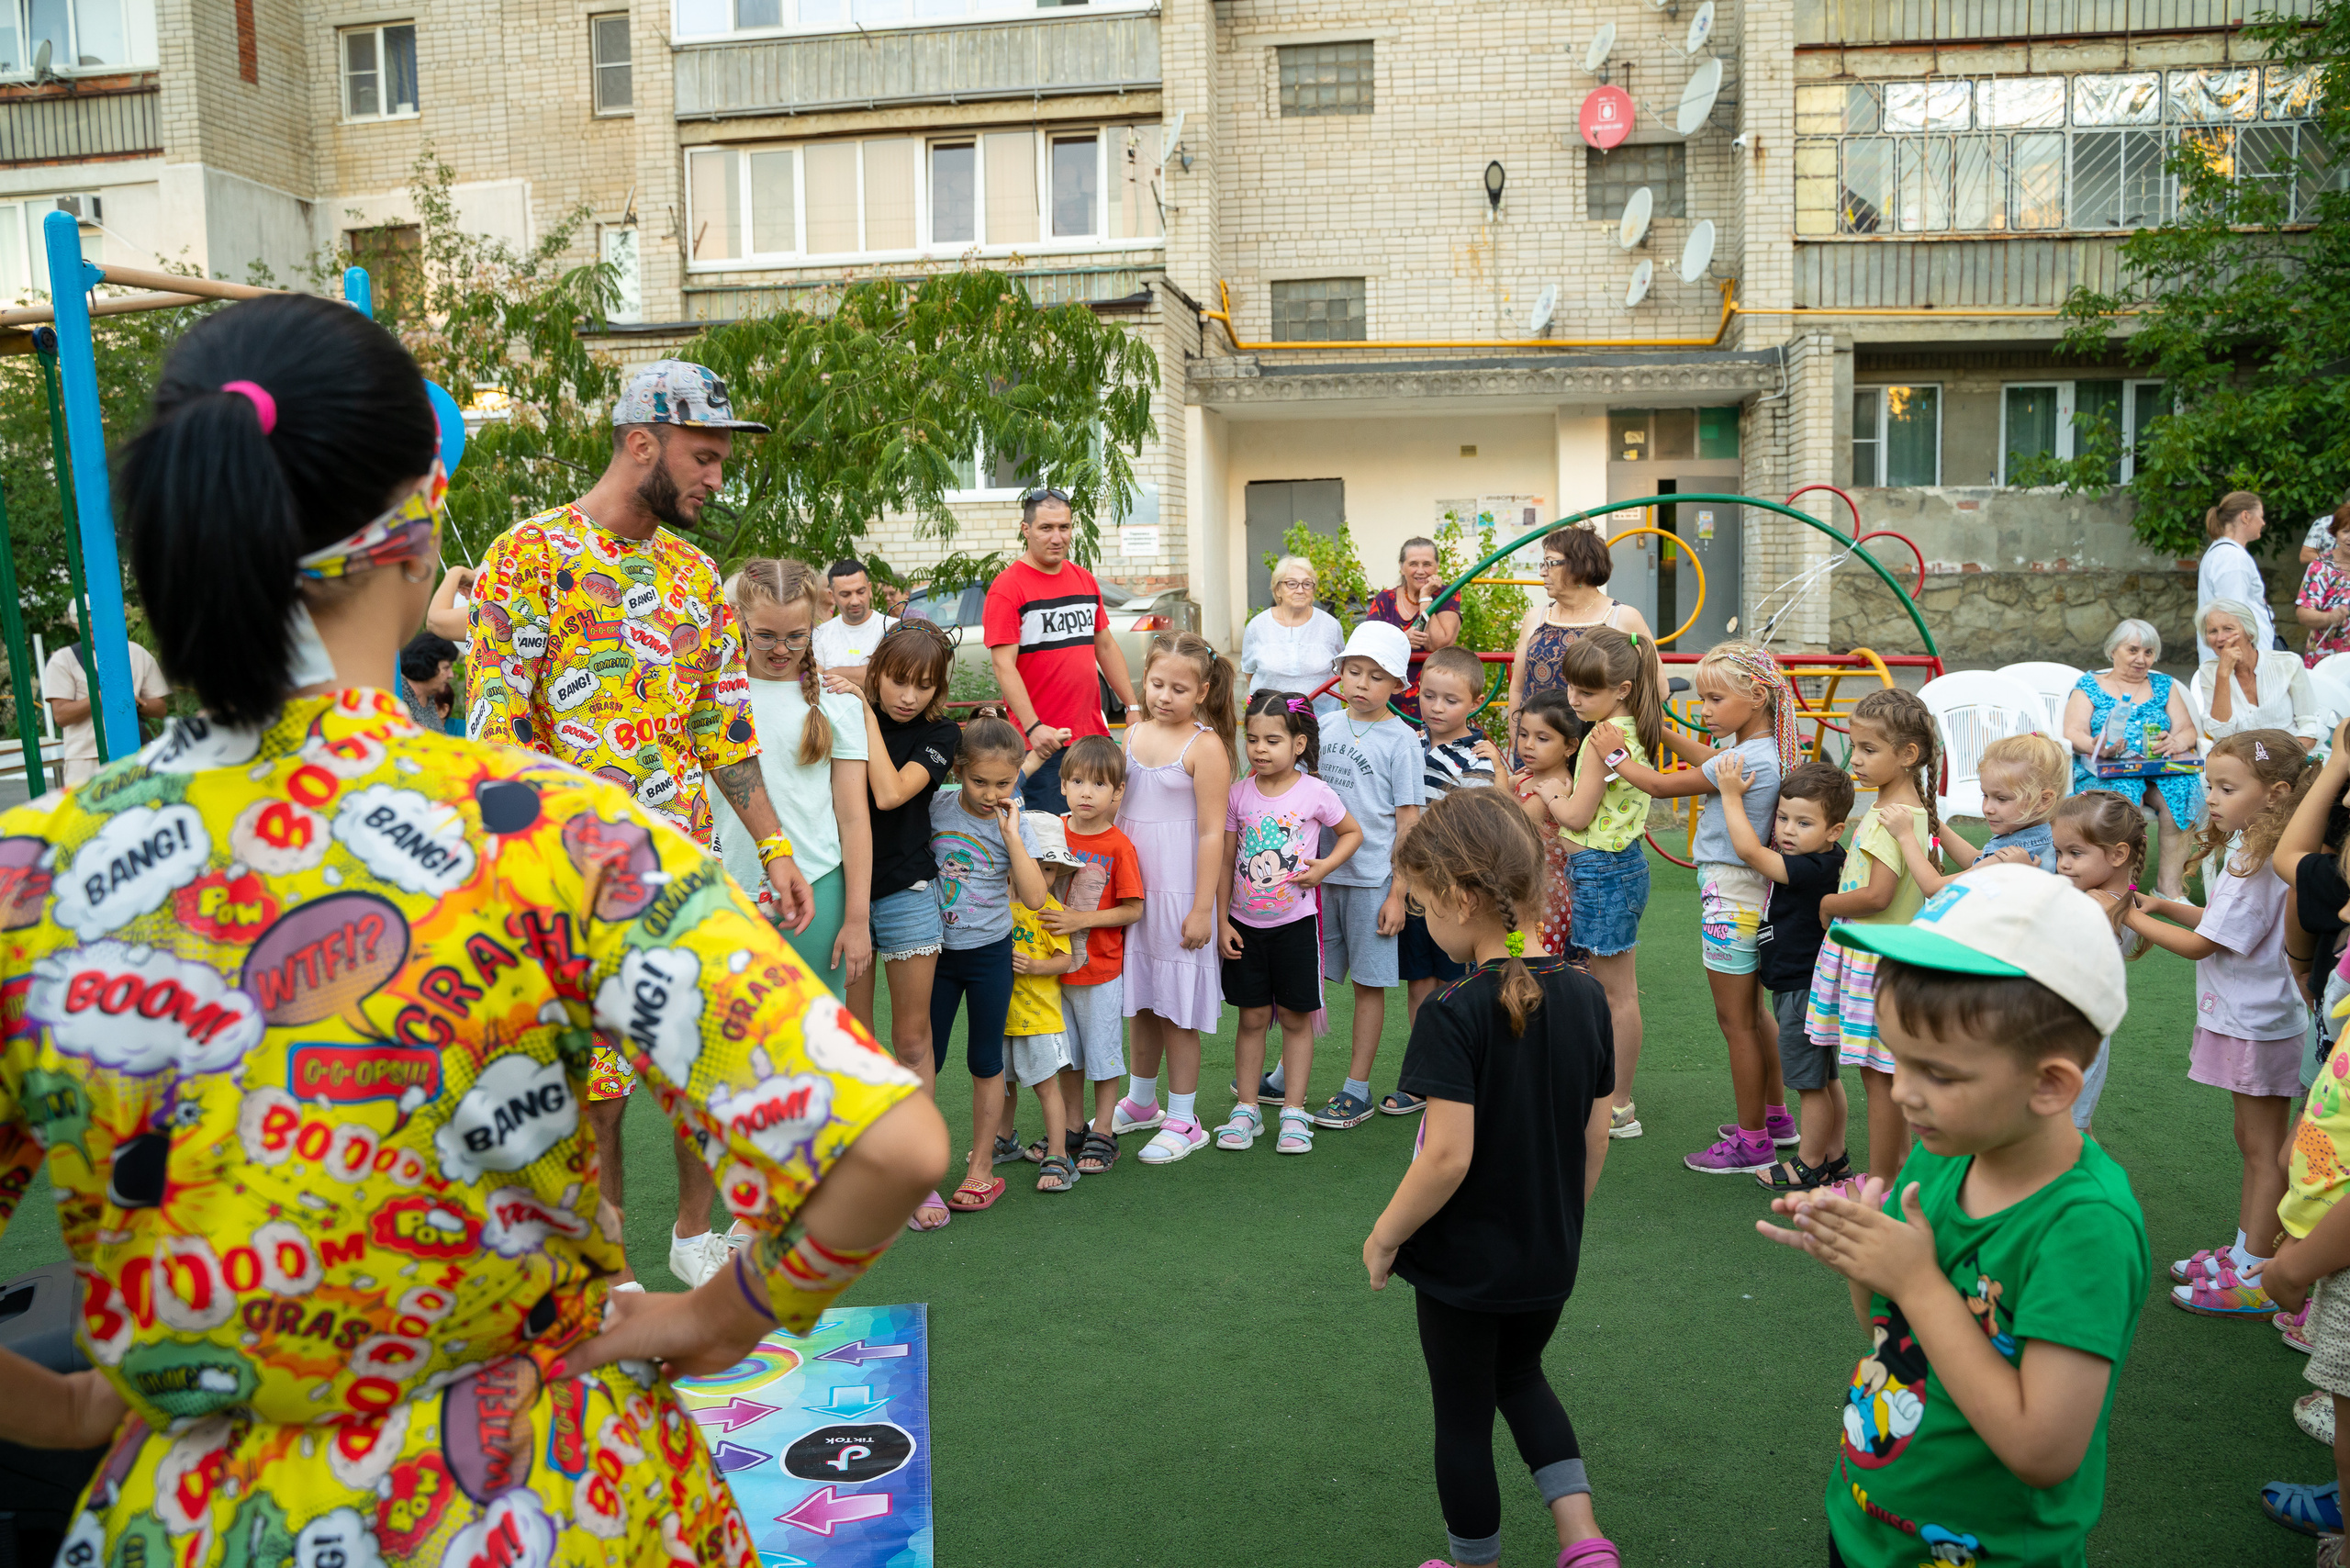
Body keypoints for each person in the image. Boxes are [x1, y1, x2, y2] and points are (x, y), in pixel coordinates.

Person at [0, 292, 947, 1567]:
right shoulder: (558, 835)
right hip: (546, 1503)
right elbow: (894, 1144)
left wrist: (68, 1411)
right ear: (418, 522)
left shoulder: (33, 879)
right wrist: (718, 1322)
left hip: (198, 1517)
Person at [468, 357, 815, 1291]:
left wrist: (774, 846)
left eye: (721, 460)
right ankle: (610, 1272)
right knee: (599, 1095)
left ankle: (693, 1236)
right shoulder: (526, 557)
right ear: (640, 443)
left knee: (701, 1067)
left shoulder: (696, 576)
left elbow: (722, 731)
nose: (716, 478)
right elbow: (496, 739)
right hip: (569, 886)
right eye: (704, 457)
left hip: (684, 877)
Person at [1758, 864, 2146, 1568]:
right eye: (1897, 1060)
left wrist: (1915, 1279)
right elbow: (1894, 1335)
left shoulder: (2085, 1226)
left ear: (2051, 1085)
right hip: (1865, 1524)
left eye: (1938, 1073)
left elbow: (2043, 1450)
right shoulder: (1943, 1156)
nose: (1903, 1093)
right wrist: (1863, 1258)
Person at [1369, 787, 1620, 1568]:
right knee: (1522, 1374)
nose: (1420, 919)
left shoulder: (1453, 1010)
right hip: (1551, 1252)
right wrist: (1562, 1218)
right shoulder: (1588, 995)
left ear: (1459, 896)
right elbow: (1596, 1133)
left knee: (1463, 1416)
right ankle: (1583, 1539)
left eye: (1421, 905)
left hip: (1465, 1264)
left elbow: (1446, 1157)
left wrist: (1385, 1236)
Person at [2126, 728, 2313, 1318]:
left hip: (2257, 1022)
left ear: (2276, 794)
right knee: (2255, 1144)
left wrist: (2127, 912)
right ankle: (2245, 1252)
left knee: (2264, 1150)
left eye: (2227, 788)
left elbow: (2204, 945)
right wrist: (2163, 905)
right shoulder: (2252, 849)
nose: (2211, 796)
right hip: (2247, 1017)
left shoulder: (2259, 862)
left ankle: (2257, 1270)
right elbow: (2220, 923)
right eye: (2210, 784)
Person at [1604, 640, 1802, 1171]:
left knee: (1735, 1022)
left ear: (1756, 696)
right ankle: (1775, 1118)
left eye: (1716, 699)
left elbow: (1658, 785)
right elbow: (1710, 761)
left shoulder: (1744, 759)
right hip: (1752, 896)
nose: (1705, 709)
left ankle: (1753, 1142)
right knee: (1754, 1015)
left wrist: (1616, 754)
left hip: (1729, 900)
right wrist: (1659, 731)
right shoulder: (1765, 750)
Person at [836, 620, 963, 1231]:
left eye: (924, 685)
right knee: (855, 1042)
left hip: (909, 893)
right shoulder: (843, 705)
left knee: (912, 1043)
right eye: (897, 680)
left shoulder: (941, 733)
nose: (908, 696)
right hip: (844, 893)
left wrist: (862, 708)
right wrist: (852, 694)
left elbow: (888, 794)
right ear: (878, 670)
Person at [1107, 632, 1237, 1163]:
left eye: (1179, 689)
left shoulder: (1205, 747)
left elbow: (1212, 834)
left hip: (1180, 894)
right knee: (1141, 997)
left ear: (1202, 691)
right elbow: (1116, 809)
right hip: (1133, 891)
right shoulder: (1132, 733)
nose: (1165, 696)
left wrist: (1204, 908)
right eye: (1157, 684)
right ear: (1145, 679)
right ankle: (1142, 1102)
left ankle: (1185, 1117)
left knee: (1177, 1007)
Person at [715, 559, 872, 996]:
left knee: (815, 1028)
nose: (781, 649)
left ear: (814, 625)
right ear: (739, 620)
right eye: (765, 635)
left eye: (796, 636)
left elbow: (854, 819)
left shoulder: (836, 702)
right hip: (723, 889)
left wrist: (857, 919)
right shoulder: (712, 697)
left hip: (817, 891)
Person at [1216, 689, 1362, 1155]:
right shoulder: (1238, 794)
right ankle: (1247, 1109)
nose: (1259, 749)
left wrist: (1324, 868)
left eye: (1272, 740)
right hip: (1244, 927)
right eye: (1252, 739)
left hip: (1297, 926)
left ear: (1298, 744)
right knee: (1252, 1017)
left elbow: (1352, 833)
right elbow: (1225, 863)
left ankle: (1294, 1112)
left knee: (1297, 1019)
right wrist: (1221, 921)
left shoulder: (1315, 792)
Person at [1807, 687, 1942, 1193]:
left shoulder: (1892, 817)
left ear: (1907, 755)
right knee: (1882, 1074)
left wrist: (1828, 904)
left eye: (1868, 749)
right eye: (1854, 747)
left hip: (1876, 959)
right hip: (1883, 957)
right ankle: (1896, 1172)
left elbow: (1879, 895)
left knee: (1879, 1077)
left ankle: (1881, 1184)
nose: (1856, 760)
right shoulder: (1901, 810)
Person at [1300, 621, 1426, 1131]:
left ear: (1397, 684)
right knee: (1308, 979)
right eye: (1354, 672)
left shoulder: (1403, 741)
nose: (1362, 684)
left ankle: (1357, 1087)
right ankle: (1289, 1071)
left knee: (1369, 986)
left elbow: (1409, 823)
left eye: (1377, 676)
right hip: (1315, 878)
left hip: (1373, 881)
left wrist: (1398, 893)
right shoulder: (1324, 726)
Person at [1716, 756, 1855, 1193]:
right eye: (1783, 818)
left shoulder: (1814, 868)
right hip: (1808, 986)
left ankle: (1810, 1163)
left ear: (1834, 831)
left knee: (1810, 1086)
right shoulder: (1827, 858)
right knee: (1826, 1079)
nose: (1788, 831)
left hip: (1801, 989)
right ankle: (1834, 1156)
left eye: (1803, 823)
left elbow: (1749, 852)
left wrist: (1730, 795)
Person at [928, 714, 1048, 1211]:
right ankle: (917, 1165)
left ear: (1018, 775)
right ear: (958, 770)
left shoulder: (1015, 821)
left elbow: (1035, 897)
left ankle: (981, 1167)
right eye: (979, 781)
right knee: (925, 1059)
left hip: (989, 955)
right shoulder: (936, 805)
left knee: (985, 1060)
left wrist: (1012, 836)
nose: (991, 793)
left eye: (1003, 783)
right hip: (934, 955)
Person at [1562, 627, 1667, 1145]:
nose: (1574, 700)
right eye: (1570, 687)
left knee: (1617, 994)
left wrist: (1550, 796)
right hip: (1616, 868)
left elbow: (1578, 815)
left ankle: (1619, 1105)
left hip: (1602, 870)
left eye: (1587, 691)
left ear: (1622, 689)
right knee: (1611, 991)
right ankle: (1611, 1095)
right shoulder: (1632, 727)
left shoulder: (1601, 740)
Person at [984, 486, 1137, 815]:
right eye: (1046, 528)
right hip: (1041, 747)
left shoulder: (1084, 580)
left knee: (1097, 833)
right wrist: (1034, 727)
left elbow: (1105, 646)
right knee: (1051, 839)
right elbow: (1003, 665)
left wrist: (1133, 705)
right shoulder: (1007, 588)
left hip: (1091, 739)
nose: (1057, 537)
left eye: (1064, 527)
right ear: (1026, 530)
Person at [1393, 645, 1505, 1061]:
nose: (1436, 707)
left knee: (1452, 983)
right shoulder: (1410, 742)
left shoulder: (1476, 759)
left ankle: (1454, 1068)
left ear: (1476, 702)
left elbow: (1472, 830)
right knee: (1419, 983)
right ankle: (1424, 1070)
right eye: (1429, 695)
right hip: (1414, 887)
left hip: (1451, 888)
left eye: (1450, 700)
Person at [1048, 733, 1146, 1175]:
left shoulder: (1119, 845)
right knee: (1067, 1055)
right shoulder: (1053, 830)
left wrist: (1081, 921)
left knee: (1103, 1055)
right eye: (1078, 781)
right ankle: (1072, 1127)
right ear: (1063, 784)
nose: (1087, 792)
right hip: (1052, 971)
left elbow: (1133, 909)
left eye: (1099, 784)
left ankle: (1103, 1129)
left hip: (1100, 972)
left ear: (1117, 792)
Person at [2063, 619, 2202, 899]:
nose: (2141, 659)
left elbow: (2188, 731)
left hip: (2159, 769)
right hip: (2108, 771)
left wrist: (2176, 741)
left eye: (2148, 652)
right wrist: (2096, 746)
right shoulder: (2089, 685)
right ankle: (2117, 889)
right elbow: (2073, 732)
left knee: (2184, 788)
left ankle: (2169, 889)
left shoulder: (2164, 685)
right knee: (2121, 802)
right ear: (2113, 650)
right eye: (2133, 650)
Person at [1504, 525, 1661, 759]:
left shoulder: (1622, 616)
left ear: (1580, 565)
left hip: (1598, 749)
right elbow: (1518, 687)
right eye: (1542, 564)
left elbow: (1657, 687)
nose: (1542, 572)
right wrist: (1518, 739)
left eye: (1550, 563)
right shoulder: (1536, 617)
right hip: (1538, 752)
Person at [2050, 790, 2151, 1134]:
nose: (2063, 864)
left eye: (2075, 853)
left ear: (2118, 854)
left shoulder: (2098, 907)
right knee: (2072, 1127)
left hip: (2070, 1034)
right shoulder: (2117, 900)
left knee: (2062, 1131)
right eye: (2059, 852)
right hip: (2076, 1029)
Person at [1878, 734, 2069, 898]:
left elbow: (1934, 888)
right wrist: (1933, 821)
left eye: (2002, 799)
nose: (1988, 808)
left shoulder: (2012, 855)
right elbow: (1976, 860)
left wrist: (1905, 835)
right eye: (1985, 795)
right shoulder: (2039, 838)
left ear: (2043, 801)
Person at [1006, 816, 1087, 1193]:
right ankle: (1004, 1139)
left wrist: (1034, 966)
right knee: (1001, 1085)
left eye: (1049, 868)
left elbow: (1064, 960)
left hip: (1039, 1019)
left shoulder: (1049, 910)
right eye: (1034, 864)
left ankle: (1058, 1154)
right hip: (1000, 1017)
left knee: (1045, 1087)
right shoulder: (996, 905)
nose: (1041, 875)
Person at [39, 598, 171, 785]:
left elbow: (160, 709)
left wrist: (135, 703)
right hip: (86, 759)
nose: (94, 635)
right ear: (76, 626)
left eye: (97, 627)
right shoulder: (63, 660)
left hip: (134, 752)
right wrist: (103, 697)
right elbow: (61, 715)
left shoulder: (137, 653)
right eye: (88, 629)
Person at [1507, 689, 1584, 969]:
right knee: (1512, 957)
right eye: (1523, 734)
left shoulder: (1554, 787)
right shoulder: (1526, 778)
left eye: (1542, 738)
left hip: (1542, 893)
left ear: (1570, 746)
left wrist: (1497, 771)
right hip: (1518, 884)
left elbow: (1509, 827)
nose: (1528, 745)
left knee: (1537, 964)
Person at [2195, 598, 2327, 750]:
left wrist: (2285, 755)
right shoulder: (2210, 672)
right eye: (2213, 631)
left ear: (2250, 634)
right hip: (2244, 760)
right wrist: (2223, 675)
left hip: (2293, 754)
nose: (2220, 638)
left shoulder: (2288, 664)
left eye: (2228, 629)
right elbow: (2221, 734)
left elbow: (2311, 723)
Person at [1241, 554, 1348, 716]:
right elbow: (1249, 672)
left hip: (1323, 719)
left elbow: (1343, 669)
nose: (1300, 590)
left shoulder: (1330, 626)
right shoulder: (1257, 626)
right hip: (1270, 719)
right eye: (1291, 584)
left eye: (1307, 584)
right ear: (1278, 590)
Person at [2198, 489, 2277, 660]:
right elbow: (2231, 615)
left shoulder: (2225, 552)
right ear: (2245, 516)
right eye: (2261, 516)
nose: (2263, 523)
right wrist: (2240, 663)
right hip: (2239, 662)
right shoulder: (2231, 557)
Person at [811, 555, 899, 674]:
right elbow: (815, 678)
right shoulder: (821, 634)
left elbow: (893, 675)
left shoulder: (893, 628)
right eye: (845, 594)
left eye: (860, 592)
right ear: (832, 596)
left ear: (870, 589)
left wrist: (832, 672)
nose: (855, 601)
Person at [2296, 506, 2350, 667]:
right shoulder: (2321, 567)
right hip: (2328, 661)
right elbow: (2303, 613)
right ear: (2335, 533)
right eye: (2346, 531)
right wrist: (2329, 618)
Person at [394, 630, 459, 729]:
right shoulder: (397, 693)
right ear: (428, 665)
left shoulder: (429, 699)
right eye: (446, 668)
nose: (451, 675)